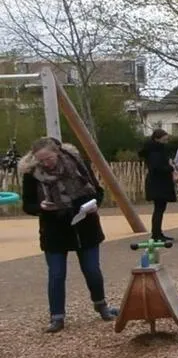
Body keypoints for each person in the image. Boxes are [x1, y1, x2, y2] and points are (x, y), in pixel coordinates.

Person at [19, 137, 115, 333]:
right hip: (54, 228)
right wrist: (41, 207)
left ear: (57, 152)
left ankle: (101, 305)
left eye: (49, 158)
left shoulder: (77, 164)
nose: (46, 163)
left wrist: (94, 204)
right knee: (56, 274)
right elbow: (27, 205)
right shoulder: (32, 175)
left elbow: (97, 191)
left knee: (92, 270)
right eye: (41, 160)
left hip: (85, 225)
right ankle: (57, 317)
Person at [139, 129, 176, 243]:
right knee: (159, 209)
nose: (166, 142)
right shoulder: (155, 152)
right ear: (157, 139)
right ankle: (156, 234)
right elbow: (157, 168)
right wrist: (170, 167)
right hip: (158, 183)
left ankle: (158, 232)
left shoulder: (154, 150)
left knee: (159, 209)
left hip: (157, 183)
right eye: (164, 140)